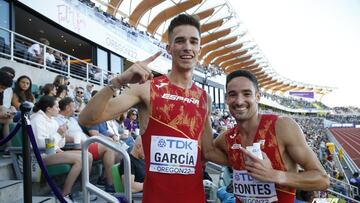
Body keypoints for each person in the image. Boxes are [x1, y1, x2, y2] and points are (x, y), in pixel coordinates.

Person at [79, 14, 227, 203]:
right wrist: (117, 82)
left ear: (199, 49)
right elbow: (86, 119)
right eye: (180, 41)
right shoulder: (147, 88)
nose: (187, 47)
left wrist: (246, 158)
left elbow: (208, 152)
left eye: (193, 41)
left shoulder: (204, 98)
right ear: (169, 48)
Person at [214, 70, 329, 202]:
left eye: (247, 94)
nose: (239, 101)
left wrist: (275, 175)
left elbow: (322, 179)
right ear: (226, 99)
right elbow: (205, 153)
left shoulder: (282, 127)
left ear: (258, 97)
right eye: (233, 94)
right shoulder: (227, 138)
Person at [31, 95, 92, 202]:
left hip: (53, 152)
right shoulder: (37, 119)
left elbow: (60, 144)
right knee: (79, 159)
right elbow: (42, 144)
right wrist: (59, 133)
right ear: (48, 109)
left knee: (89, 155)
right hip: (40, 156)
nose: (59, 109)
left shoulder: (53, 120)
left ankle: (84, 189)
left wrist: (62, 134)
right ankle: (65, 194)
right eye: (56, 107)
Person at [55, 97, 116, 193]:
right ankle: (109, 183)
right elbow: (61, 137)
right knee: (108, 147)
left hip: (87, 143)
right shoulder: (57, 120)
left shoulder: (73, 119)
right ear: (67, 107)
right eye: (73, 106)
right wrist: (79, 140)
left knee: (114, 146)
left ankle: (105, 179)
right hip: (76, 147)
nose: (75, 108)